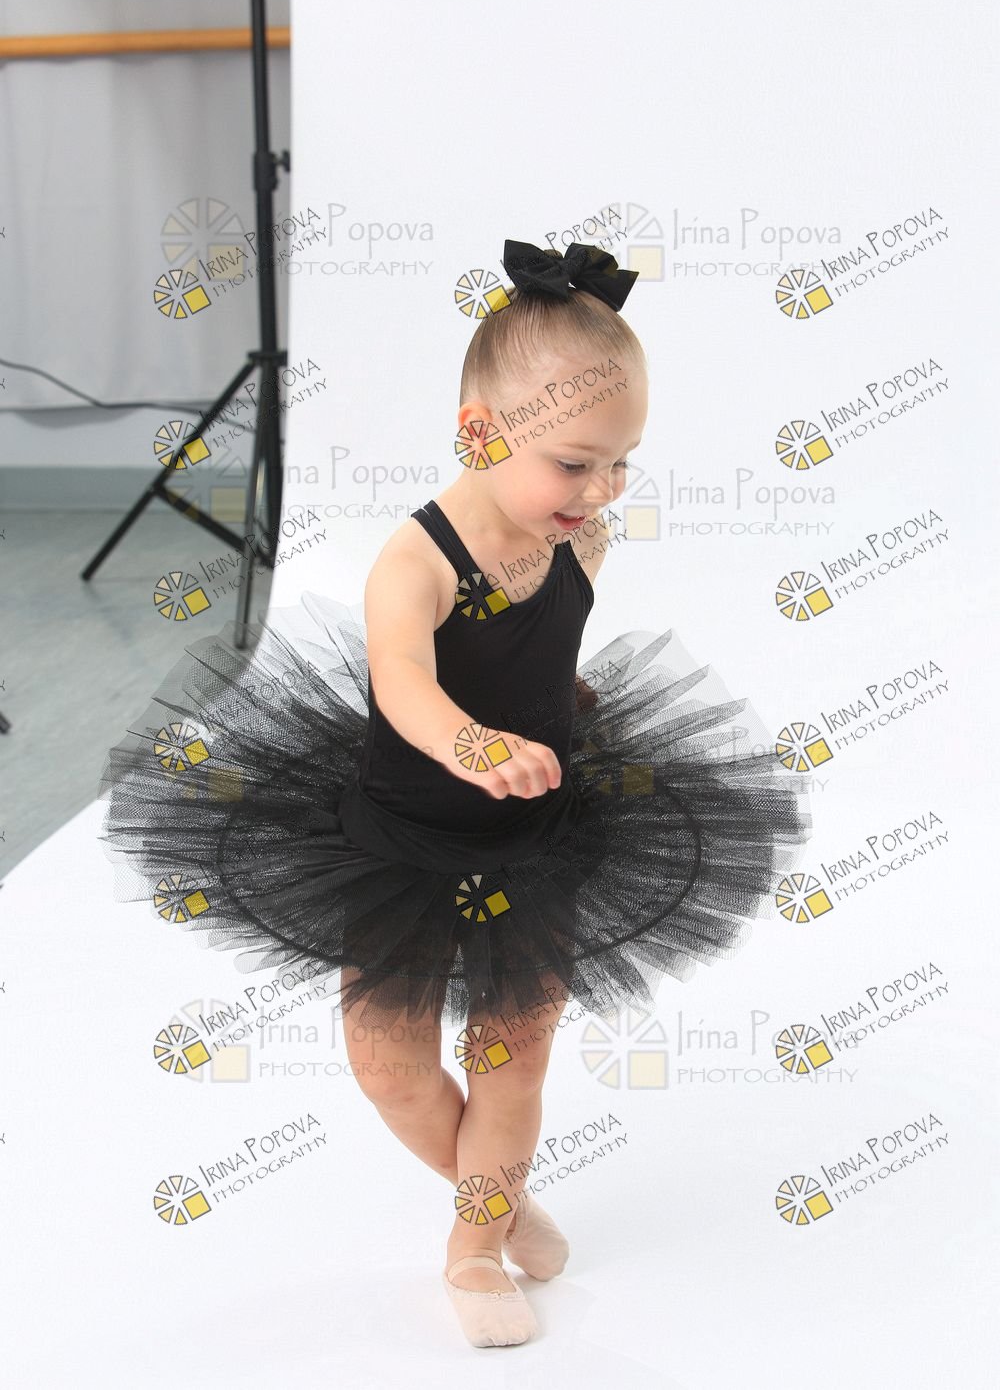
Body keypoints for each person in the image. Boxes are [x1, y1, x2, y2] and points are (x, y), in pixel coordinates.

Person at [98, 236, 812, 1349]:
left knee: (510, 1060)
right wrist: (471, 743)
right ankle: (505, 1202)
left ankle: (474, 1248)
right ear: (479, 433)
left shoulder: (581, 541)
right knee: (389, 1067)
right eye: (574, 463)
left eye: (622, 463)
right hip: (403, 840)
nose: (601, 491)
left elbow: (538, 644)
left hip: (539, 839)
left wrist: (551, 699)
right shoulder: (414, 563)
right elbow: (403, 682)